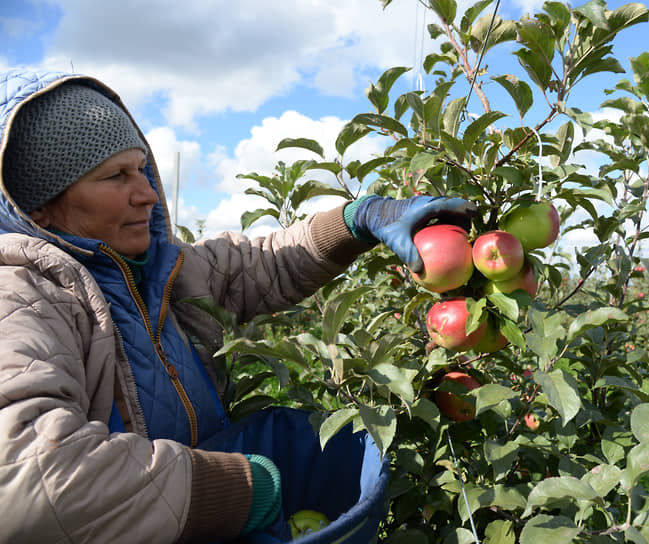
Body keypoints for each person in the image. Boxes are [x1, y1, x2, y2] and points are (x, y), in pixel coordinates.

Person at [0, 69, 476, 543]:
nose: (146, 193)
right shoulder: (23, 298)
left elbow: (266, 262)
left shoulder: (163, 270)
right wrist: (238, 491)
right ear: (38, 206)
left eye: (142, 169)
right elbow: (30, 479)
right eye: (115, 176)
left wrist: (360, 219)